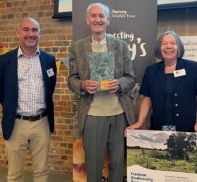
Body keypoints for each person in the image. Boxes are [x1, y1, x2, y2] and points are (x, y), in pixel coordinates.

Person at [68, 2, 136, 182]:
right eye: (94, 16)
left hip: (119, 113)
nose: (98, 19)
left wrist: (119, 84)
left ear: (108, 20)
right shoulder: (77, 47)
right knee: (93, 164)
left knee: (117, 163)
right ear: (87, 20)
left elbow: (131, 78)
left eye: (101, 16)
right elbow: (71, 80)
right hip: (92, 114)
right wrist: (83, 85)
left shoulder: (120, 46)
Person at [0, 17, 56, 182]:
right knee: (14, 174)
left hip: (42, 122)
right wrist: (11, 107)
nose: (30, 34)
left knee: (41, 171)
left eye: (34, 30)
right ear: (18, 32)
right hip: (15, 124)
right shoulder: (3, 61)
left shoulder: (49, 60)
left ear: (39, 34)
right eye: (26, 29)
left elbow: (50, 88)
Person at [127, 31, 197, 136]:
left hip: (188, 129)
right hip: (159, 129)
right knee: (159, 153)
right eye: (164, 43)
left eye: (173, 43)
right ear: (159, 48)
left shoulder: (193, 68)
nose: (168, 46)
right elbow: (147, 100)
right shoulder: (151, 71)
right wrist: (140, 122)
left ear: (179, 47)